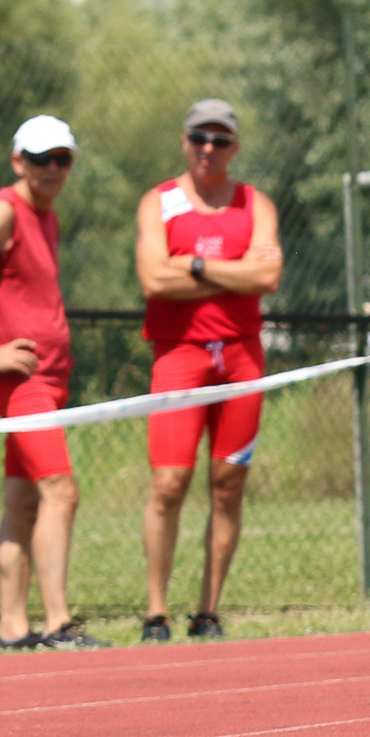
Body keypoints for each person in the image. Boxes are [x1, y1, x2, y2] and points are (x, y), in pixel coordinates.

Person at [0, 114, 103, 653]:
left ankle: (13, 628)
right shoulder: (2, 210)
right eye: (40, 159)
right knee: (61, 491)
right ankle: (58, 623)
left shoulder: (46, 216)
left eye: (62, 159)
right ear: (17, 162)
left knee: (22, 502)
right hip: (22, 383)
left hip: (48, 382)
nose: (52, 168)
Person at [135, 98, 284, 642]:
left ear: (234, 148)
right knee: (169, 483)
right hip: (179, 356)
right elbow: (154, 280)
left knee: (228, 484)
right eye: (200, 138)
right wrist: (234, 273)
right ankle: (156, 613)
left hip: (242, 359)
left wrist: (195, 265)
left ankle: (208, 610)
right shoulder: (159, 202)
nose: (208, 149)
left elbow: (267, 278)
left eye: (220, 140)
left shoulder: (254, 204)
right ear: (184, 142)